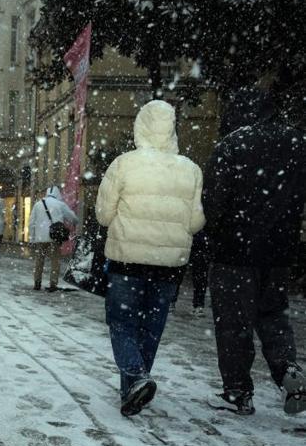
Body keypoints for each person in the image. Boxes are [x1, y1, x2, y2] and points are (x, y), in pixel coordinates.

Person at [95, 100, 204, 417]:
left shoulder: (124, 164)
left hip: (128, 261)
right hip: (169, 266)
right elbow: (196, 222)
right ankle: (133, 387)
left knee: (121, 323)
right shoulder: (191, 169)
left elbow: (103, 215)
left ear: (140, 127)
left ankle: (136, 378)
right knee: (151, 328)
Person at [203, 88, 306, 416]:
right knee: (274, 315)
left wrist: (213, 235)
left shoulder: (231, 146)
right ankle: (288, 369)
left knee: (234, 322)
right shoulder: (297, 144)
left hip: (234, 251)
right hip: (278, 251)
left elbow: (212, 201)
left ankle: (237, 390)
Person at [28, 186, 78, 291]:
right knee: (55, 261)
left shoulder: (37, 204)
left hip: (40, 238)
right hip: (54, 237)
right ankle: (53, 284)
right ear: (57, 194)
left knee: (39, 260)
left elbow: (31, 223)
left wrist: (32, 238)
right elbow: (73, 218)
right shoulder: (60, 204)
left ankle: (37, 282)